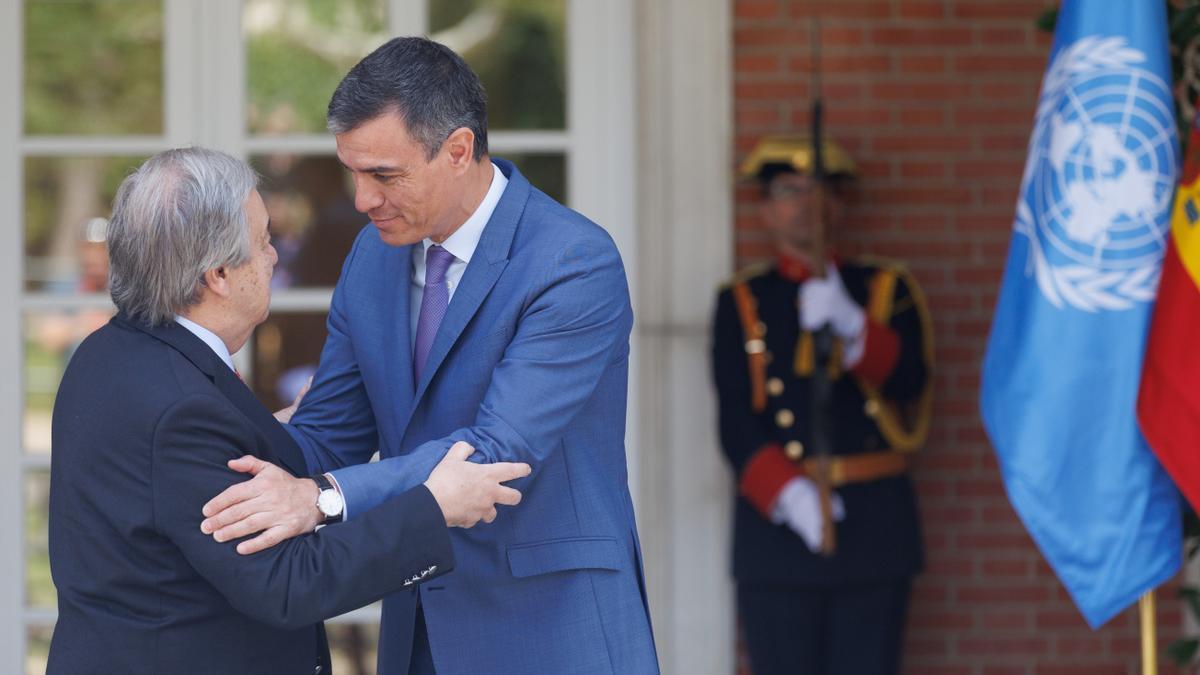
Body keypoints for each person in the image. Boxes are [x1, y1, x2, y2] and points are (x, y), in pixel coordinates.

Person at [199, 37, 658, 674]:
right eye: (352, 173)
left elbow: (495, 455)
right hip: (419, 629)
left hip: (553, 631)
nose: (362, 200)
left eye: (384, 175)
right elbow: (329, 434)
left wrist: (322, 499)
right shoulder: (371, 256)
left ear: (458, 150)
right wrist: (206, 450)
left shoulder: (572, 261)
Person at [47, 147, 530, 675]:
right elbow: (286, 584)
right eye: (263, 242)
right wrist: (433, 508)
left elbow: (166, 478)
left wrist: (265, 427)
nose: (275, 257)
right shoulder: (184, 408)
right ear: (219, 275)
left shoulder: (110, 354)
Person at [711, 136, 933, 674]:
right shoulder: (741, 299)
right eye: (789, 190)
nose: (806, 203)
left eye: (819, 190)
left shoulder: (884, 288)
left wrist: (855, 326)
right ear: (765, 209)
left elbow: (911, 385)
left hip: (874, 529)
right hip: (780, 533)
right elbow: (736, 419)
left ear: (839, 204)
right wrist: (791, 495)